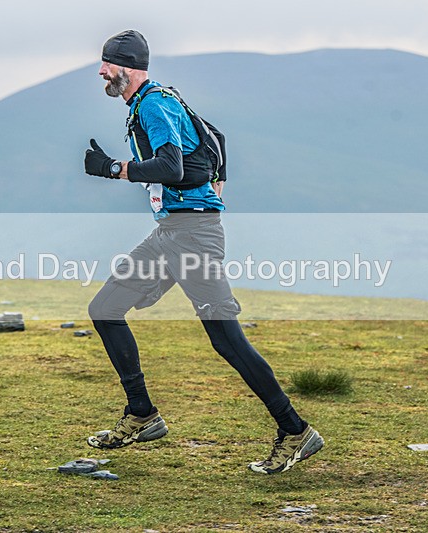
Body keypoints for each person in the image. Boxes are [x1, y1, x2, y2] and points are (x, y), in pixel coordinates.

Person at [82, 29, 323, 474]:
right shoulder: (152, 102)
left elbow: (171, 167)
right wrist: (219, 182)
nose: (100, 71)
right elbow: (217, 137)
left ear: (128, 68)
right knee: (105, 308)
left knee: (226, 338)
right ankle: (142, 413)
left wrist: (113, 169)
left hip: (193, 235)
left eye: (107, 64)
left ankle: (295, 430)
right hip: (173, 232)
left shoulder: (153, 104)